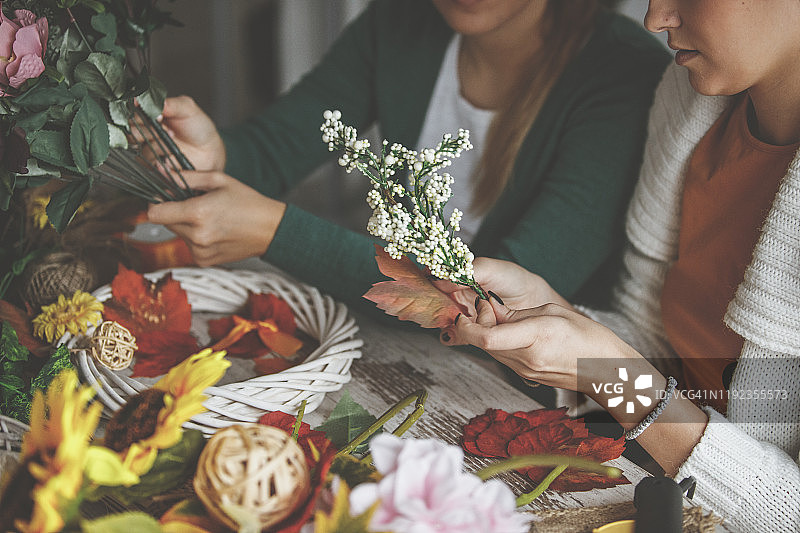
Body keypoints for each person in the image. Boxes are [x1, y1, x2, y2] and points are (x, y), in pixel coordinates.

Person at [439, 0, 800, 530]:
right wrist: (548, 312)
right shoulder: (690, 103)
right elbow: (660, 345)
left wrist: (615, 377)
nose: (655, 18)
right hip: (654, 483)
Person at [145, 0, 669, 311]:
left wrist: (274, 233)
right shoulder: (401, 21)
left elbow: (497, 301)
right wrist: (215, 154)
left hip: (561, 394)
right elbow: (277, 147)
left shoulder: (623, 73)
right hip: (406, 352)